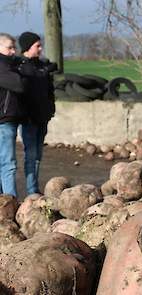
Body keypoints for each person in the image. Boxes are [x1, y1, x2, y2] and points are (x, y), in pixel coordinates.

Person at [18, 32, 57, 195]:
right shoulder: (20, 67)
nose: (40, 49)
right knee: (31, 155)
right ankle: (32, 189)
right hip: (28, 119)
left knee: (38, 155)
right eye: (37, 46)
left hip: (43, 118)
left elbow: (49, 91)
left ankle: (34, 187)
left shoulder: (42, 67)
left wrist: (50, 109)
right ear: (28, 47)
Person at [0, 33, 26, 197]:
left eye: (14, 48)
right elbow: (19, 85)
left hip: (6, 119)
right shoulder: (3, 67)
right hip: (4, 120)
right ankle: (11, 201)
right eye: (9, 47)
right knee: (8, 164)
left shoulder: (9, 65)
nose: (13, 51)